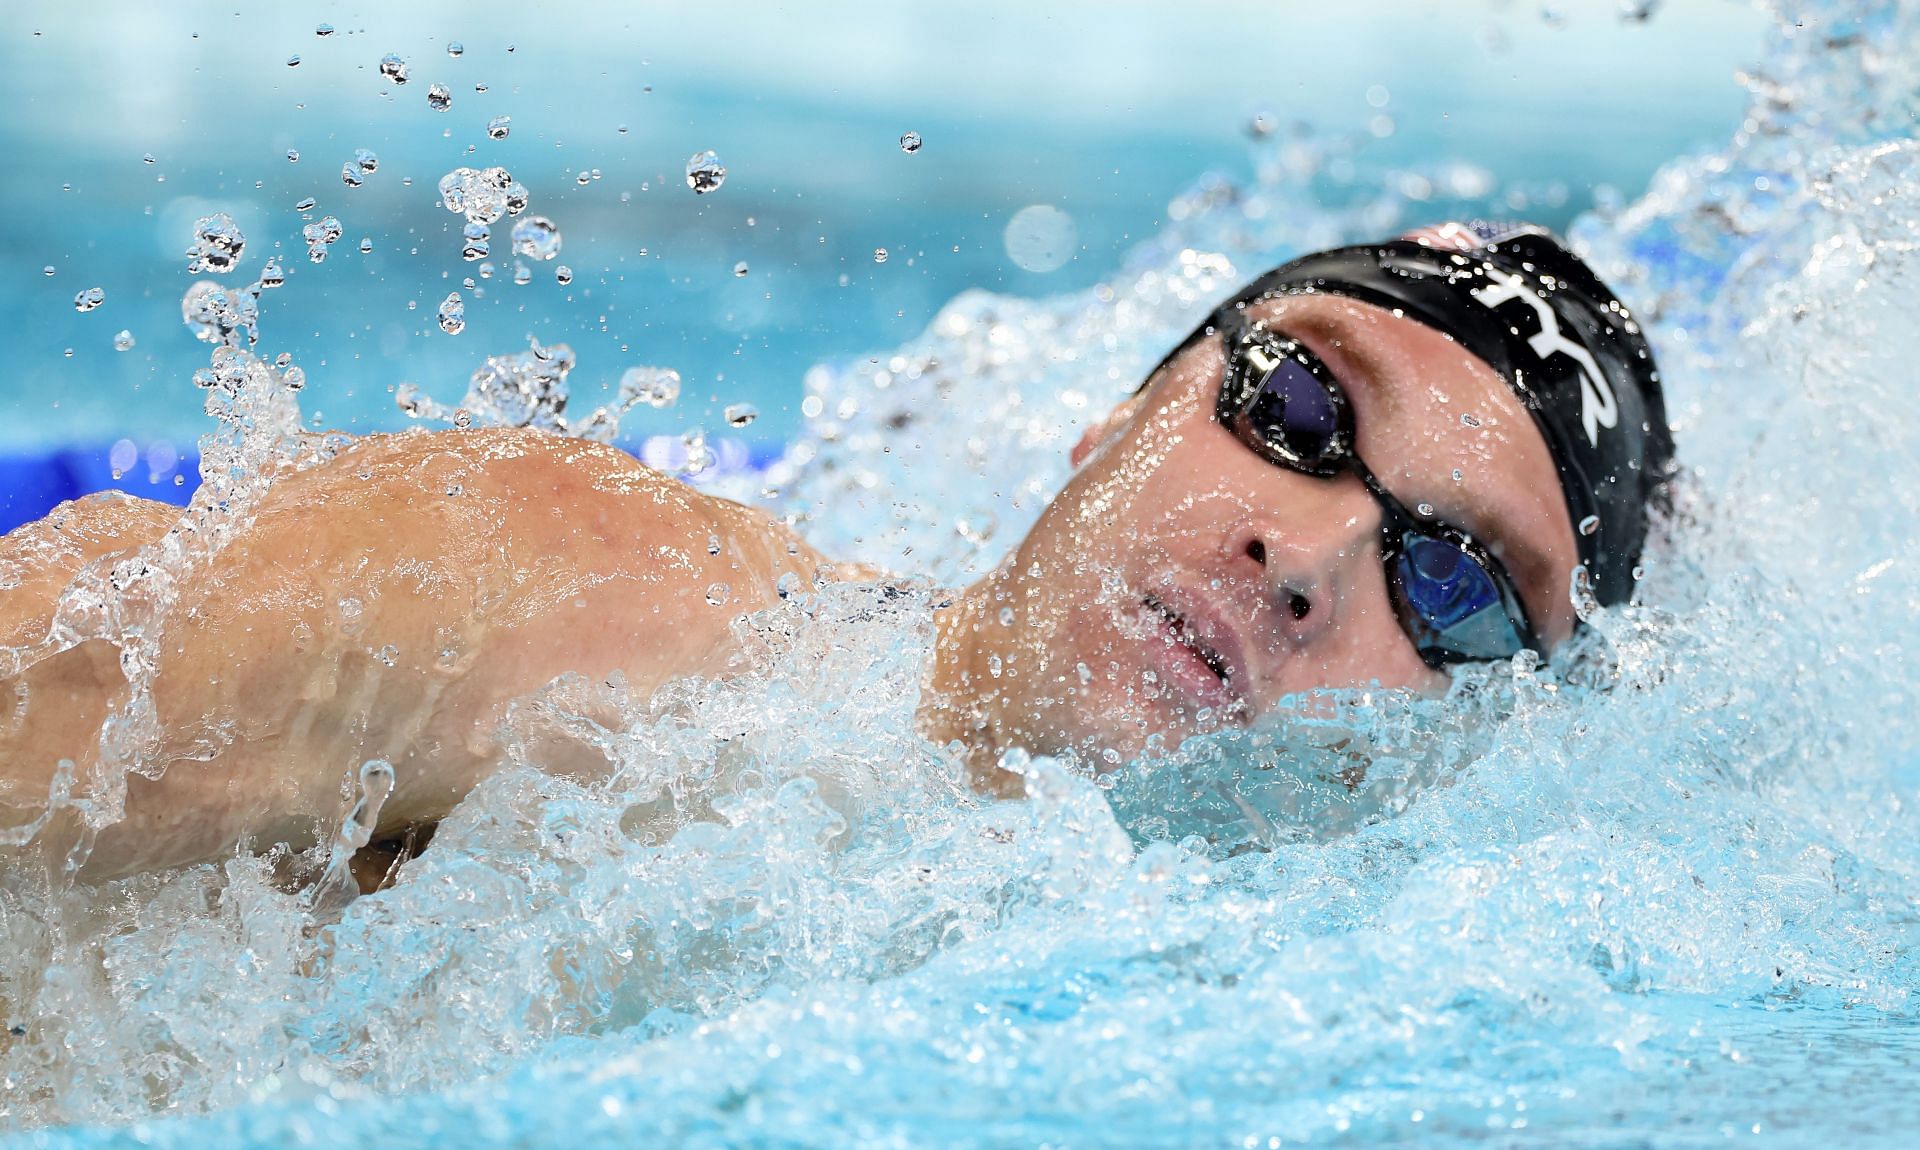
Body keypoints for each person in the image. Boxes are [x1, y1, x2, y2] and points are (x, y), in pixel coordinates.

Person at [0, 222, 1671, 887]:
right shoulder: (576, 601)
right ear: (1121, 413)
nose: (1303, 556)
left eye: (1451, 583)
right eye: (1298, 398)